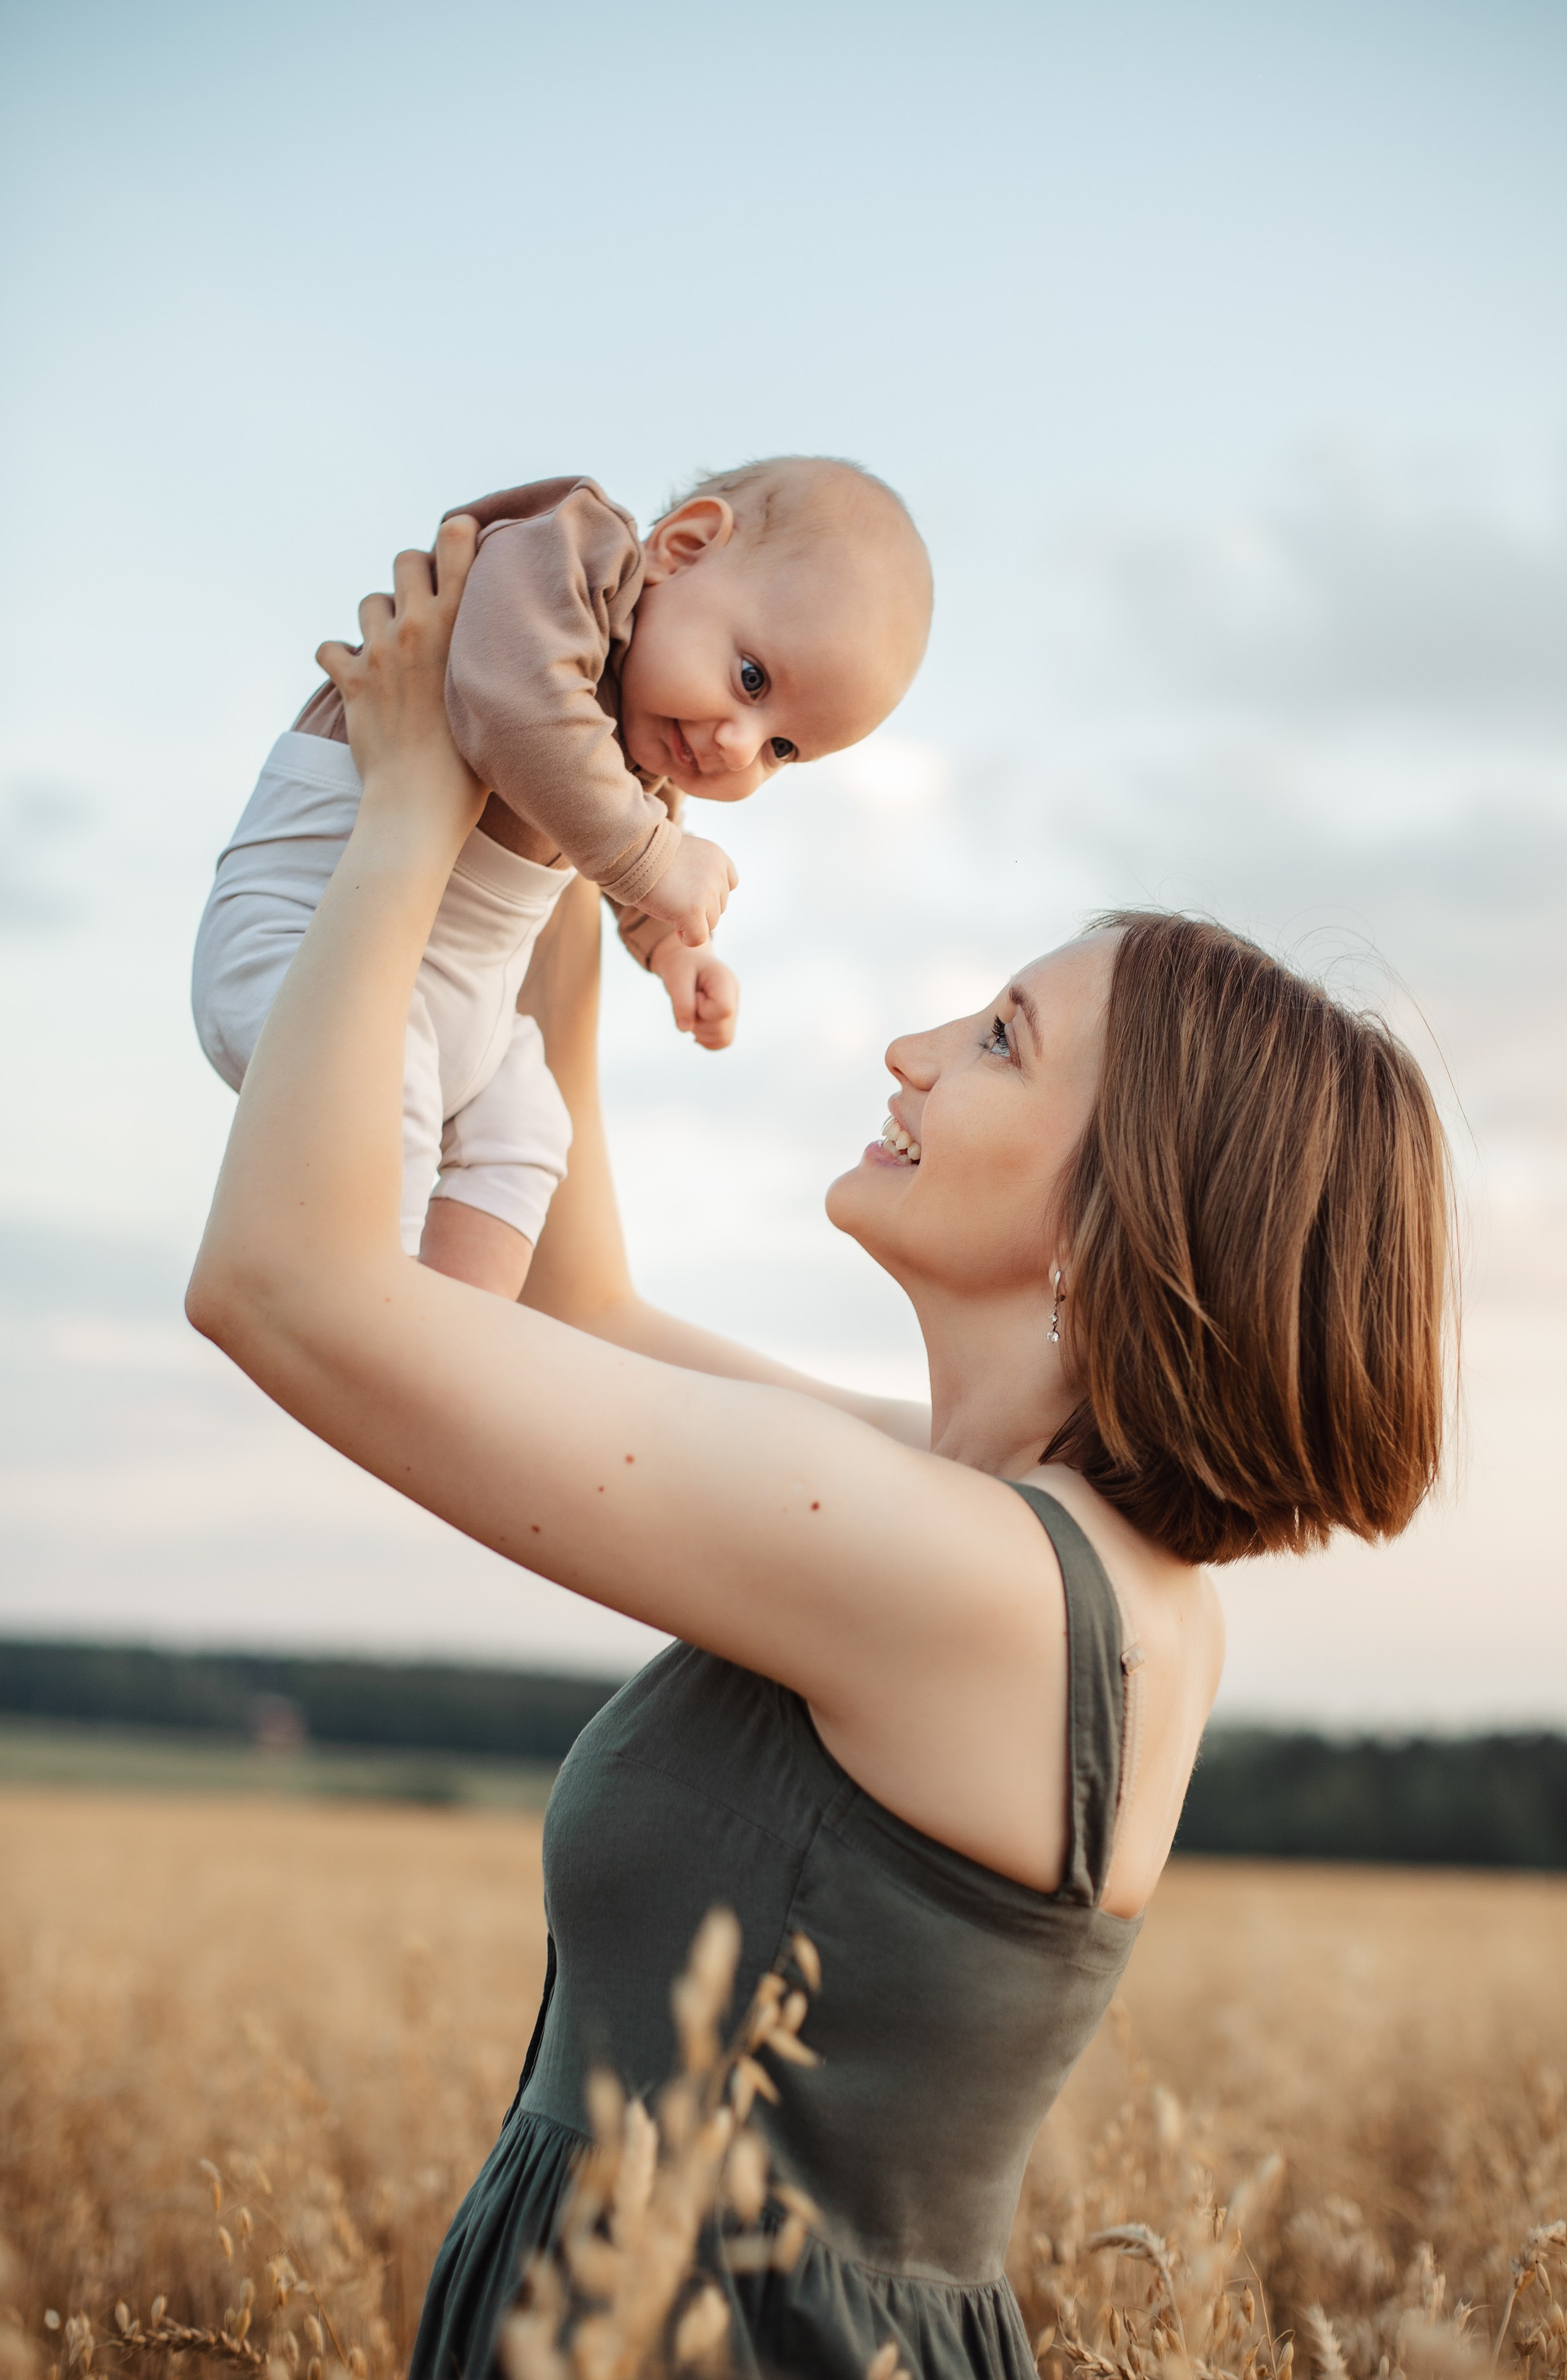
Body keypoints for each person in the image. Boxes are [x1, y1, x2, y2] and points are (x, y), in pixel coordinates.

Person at [186, 525, 1454, 2380]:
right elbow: (579, 1315)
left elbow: (283, 1285)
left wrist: (397, 815)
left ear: (1117, 1228)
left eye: (1003, 1042)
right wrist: (555, 805)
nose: (915, 1048)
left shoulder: (966, 1584)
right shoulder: (1026, 1552)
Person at [191, 461, 932, 1300]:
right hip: (308, 942)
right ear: (682, 551)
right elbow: (513, 704)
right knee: (382, 1095)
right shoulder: (573, 561)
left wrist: (675, 951)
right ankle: (373, 1318)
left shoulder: (644, 749)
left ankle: (459, 1347)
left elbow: (623, 830)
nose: (737, 745)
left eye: (782, 749)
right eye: (753, 679)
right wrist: (656, 864)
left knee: (531, 1130)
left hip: (451, 1002)